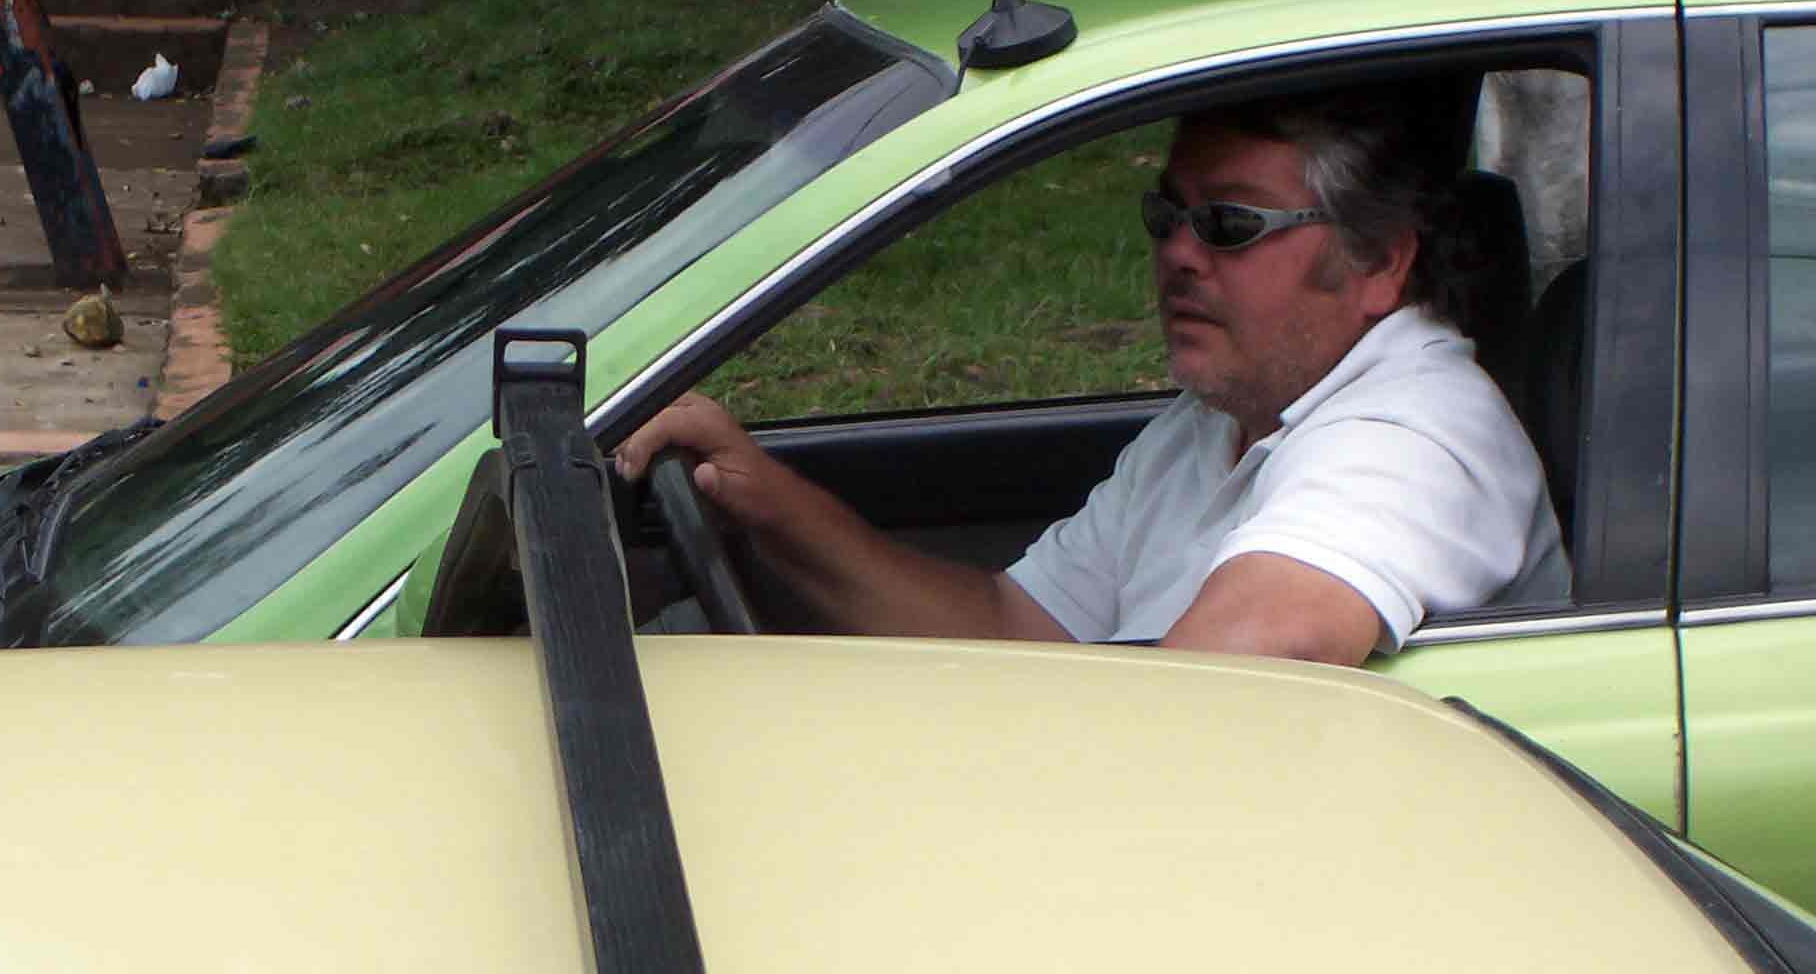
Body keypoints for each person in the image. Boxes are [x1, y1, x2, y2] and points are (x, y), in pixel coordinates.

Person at [615, 94, 1570, 667]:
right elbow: (1015, 630)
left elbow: (1244, 671)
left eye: (1230, 225)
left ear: (1380, 264)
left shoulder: (1415, 436)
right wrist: (764, 500)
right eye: (1168, 216)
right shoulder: (1217, 420)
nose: (1179, 254)